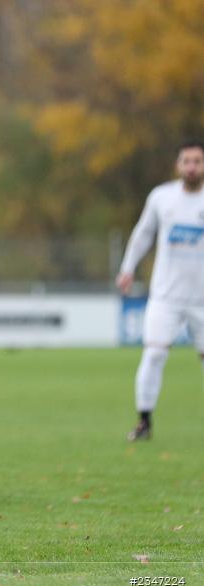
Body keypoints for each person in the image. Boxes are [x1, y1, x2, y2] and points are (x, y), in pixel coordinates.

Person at [116, 140, 204, 441]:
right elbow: (143, 233)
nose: (192, 167)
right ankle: (144, 421)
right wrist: (128, 268)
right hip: (166, 296)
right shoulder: (162, 197)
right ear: (178, 165)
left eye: (197, 161)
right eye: (186, 161)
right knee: (153, 354)